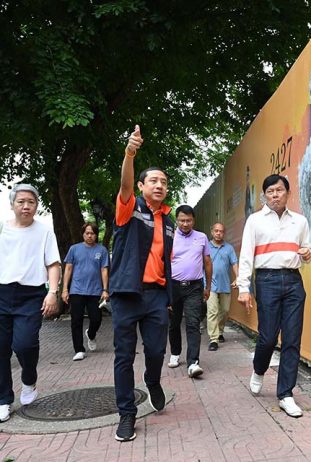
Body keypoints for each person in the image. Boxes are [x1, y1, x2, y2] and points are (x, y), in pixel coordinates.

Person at [109, 125, 174, 442]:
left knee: (157, 350)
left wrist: (170, 295)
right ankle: (127, 414)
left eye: (164, 182)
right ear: (141, 185)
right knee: (124, 356)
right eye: (153, 181)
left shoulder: (168, 220)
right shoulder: (129, 208)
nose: (159, 185)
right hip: (126, 294)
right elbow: (124, 185)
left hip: (156, 296)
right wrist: (130, 153)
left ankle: (152, 379)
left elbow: (166, 260)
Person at [237, 174, 311, 418]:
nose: (275, 195)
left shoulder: (300, 221)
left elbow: (307, 250)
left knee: (292, 339)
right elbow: (246, 255)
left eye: (279, 190)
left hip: (293, 281)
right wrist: (244, 287)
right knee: (268, 337)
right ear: (265, 196)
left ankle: (285, 394)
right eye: (270, 191)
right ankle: (259, 369)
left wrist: (307, 254)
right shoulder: (255, 220)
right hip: (266, 280)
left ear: (287, 193)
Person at [0, 184, 61, 423]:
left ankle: (29, 380)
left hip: (31, 295)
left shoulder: (44, 232)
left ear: (36, 205)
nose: (26, 206)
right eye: (21, 201)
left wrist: (52, 292)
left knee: (24, 344)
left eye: (31, 202)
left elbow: (53, 264)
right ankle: (4, 399)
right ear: (12, 204)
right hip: (2, 293)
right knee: (1, 349)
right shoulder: (2, 229)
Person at [168, 205, 212, 378]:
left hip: (194, 287)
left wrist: (208, 286)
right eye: (182, 220)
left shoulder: (201, 237)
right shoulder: (170, 237)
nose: (185, 224)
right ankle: (175, 352)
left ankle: (193, 362)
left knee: (193, 323)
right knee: (174, 322)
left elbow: (207, 262)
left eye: (189, 220)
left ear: (194, 220)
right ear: (177, 220)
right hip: (173, 286)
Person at [62, 222, 110, 361]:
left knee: (96, 318)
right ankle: (79, 349)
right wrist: (65, 289)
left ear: (96, 235)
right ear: (83, 234)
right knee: (76, 320)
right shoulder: (74, 249)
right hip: (77, 290)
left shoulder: (102, 250)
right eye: (87, 233)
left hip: (95, 291)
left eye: (92, 233)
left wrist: (105, 289)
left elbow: (104, 270)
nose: (89, 236)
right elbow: (68, 269)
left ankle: (91, 334)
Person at [206, 222, 238, 351]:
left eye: (221, 231)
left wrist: (237, 277)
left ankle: (220, 331)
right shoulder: (206, 247)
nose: (218, 233)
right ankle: (213, 339)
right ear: (212, 232)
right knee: (212, 311)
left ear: (224, 233)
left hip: (225, 284)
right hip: (209, 285)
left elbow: (234, 263)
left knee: (225, 311)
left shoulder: (229, 248)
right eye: (216, 231)